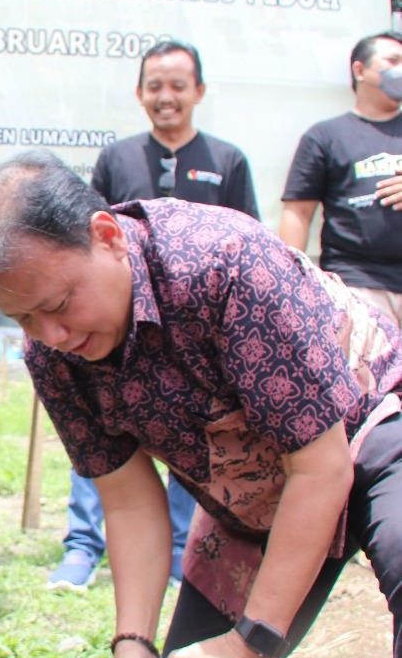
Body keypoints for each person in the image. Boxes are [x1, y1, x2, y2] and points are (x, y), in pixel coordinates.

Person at [0, 149, 402, 658]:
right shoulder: (54, 356)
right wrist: (131, 645)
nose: (52, 336)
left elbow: (320, 468)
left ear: (107, 236)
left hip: (372, 420)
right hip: (253, 493)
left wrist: (256, 645)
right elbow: (130, 501)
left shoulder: (224, 264)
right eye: (25, 319)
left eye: (59, 306)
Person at [49, 40, 260, 592]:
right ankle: (82, 547)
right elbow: (82, 244)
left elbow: (248, 240)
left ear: (199, 92)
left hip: (197, 339)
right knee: (100, 435)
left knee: (198, 441)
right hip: (117, 337)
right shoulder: (118, 158)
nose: (166, 97)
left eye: (178, 86)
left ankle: (177, 555)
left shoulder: (227, 159)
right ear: (140, 93)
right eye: (155, 86)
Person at [280, 30, 402, 327]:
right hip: (356, 285)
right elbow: (298, 212)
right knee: (368, 375)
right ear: (360, 70)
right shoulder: (325, 136)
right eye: (393, 60)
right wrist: (289, 288)